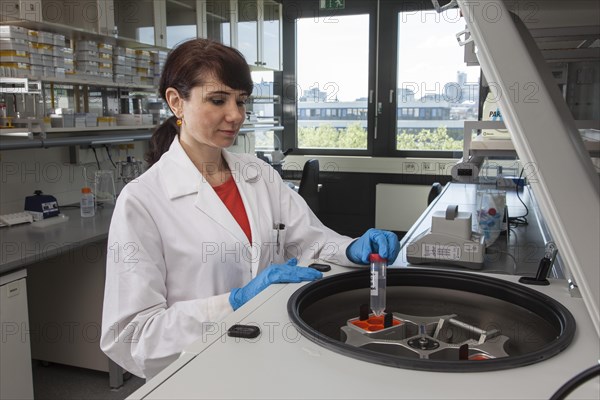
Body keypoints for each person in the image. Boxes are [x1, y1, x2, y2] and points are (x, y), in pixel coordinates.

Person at [100, 38, 400, 380]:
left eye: (241, 101)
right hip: (198, 374)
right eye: (218, 100)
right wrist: (234, 301)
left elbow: (310, 241)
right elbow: (133, 336)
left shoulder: (256, 174)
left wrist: (351, 247)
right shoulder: (142, 200)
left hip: (269, 355)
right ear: (176, 102)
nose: (236, 115)